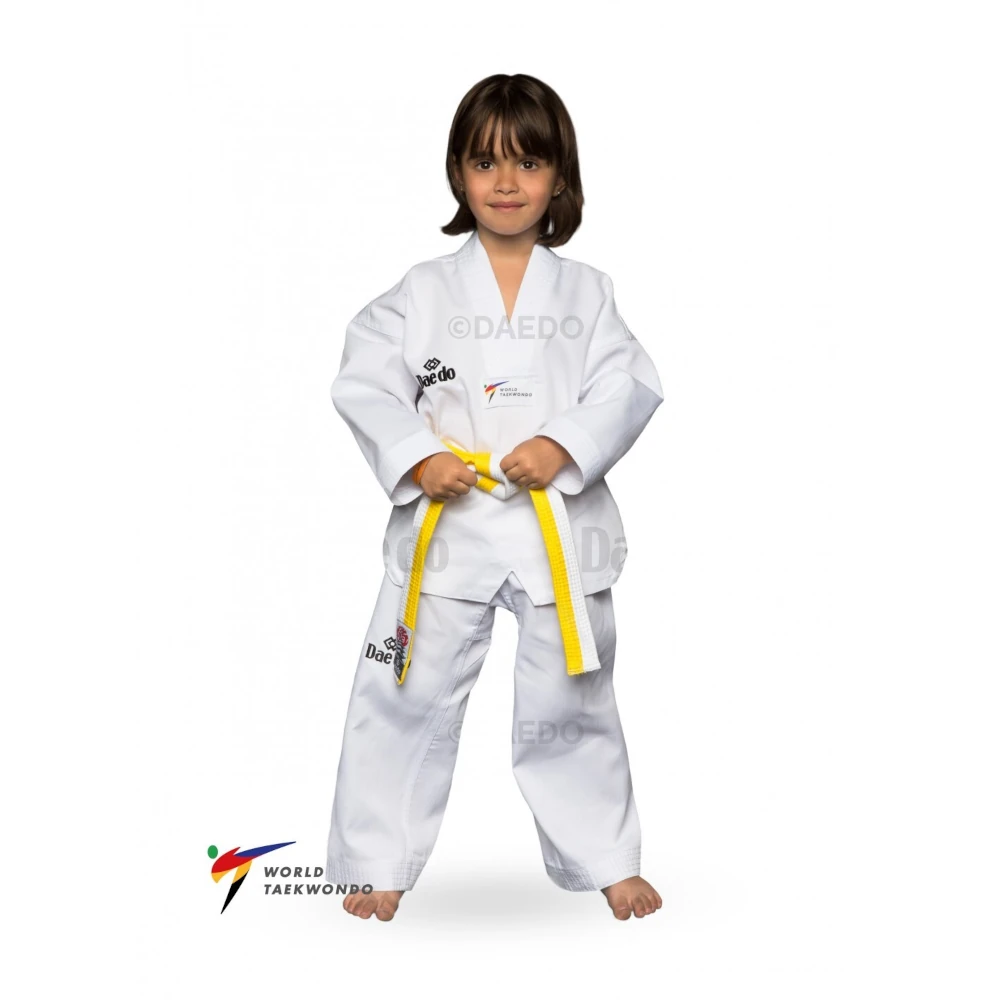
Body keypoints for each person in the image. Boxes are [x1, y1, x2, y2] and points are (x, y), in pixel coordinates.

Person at [325, 73, 664, 922]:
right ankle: (377, 858)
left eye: (529, 162)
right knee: (400, 692)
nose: (507, 182)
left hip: (557, 528)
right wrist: (416, 456)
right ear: (458, 174)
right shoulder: (421, 290)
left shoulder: (586, 292)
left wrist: (565, 444)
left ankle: (605, 856)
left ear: (561, 178)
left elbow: (627, 384)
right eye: (486, 162)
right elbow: (364, 381)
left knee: (572, 698)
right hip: (449, 524)